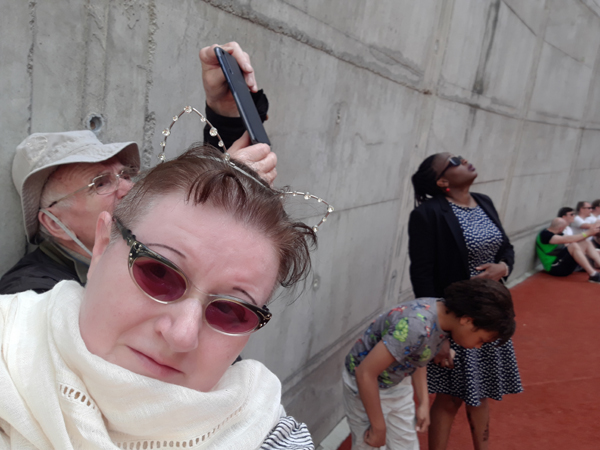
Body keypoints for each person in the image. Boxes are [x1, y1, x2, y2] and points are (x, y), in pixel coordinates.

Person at [0, 145, 319, 449]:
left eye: (231, 312)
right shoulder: (20, 310)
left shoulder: (258, 421)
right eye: (158, 274)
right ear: (102, 246)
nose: (182, 335)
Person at [0, 42, 276, 295]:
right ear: (54, 223)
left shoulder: (137, 250)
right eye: (101, 183)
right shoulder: (29, 293)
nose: (128, 188)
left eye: (126, 174)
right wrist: (224, 187)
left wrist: (226, 112)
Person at [408, 154, 522, 450]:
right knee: (449, 397)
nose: (464, 160)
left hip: (491, 312)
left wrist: (504, 267)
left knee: (480, 392)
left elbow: (506, 247)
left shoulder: (484, 201)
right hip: (458, 318)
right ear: (442, 181)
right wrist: (438, 334)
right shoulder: (427, 214)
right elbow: (422, 275)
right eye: (454, 160)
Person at [342, 279, 516, 450]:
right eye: (481, 340)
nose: (477, 347)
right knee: (370, 443)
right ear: (467, 320)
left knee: (406, 444)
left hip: (397, 380)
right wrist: (378, 426)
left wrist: (424, 403)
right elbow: (365, 374)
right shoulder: (416, 326)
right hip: (365, 386)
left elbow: (418, 356)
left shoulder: (443, 318)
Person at [536, 217, 600, 283]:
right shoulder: (546, 236)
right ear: (560, 228)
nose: (564, 230)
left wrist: (590, 233)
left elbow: (571, 239)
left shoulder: (556, 232)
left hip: (562, 262)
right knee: (573, 245)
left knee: (585, 242)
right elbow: (568, 240)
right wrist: (588, 233)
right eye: (564, 228)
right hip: (554, 268)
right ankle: (593, 274)